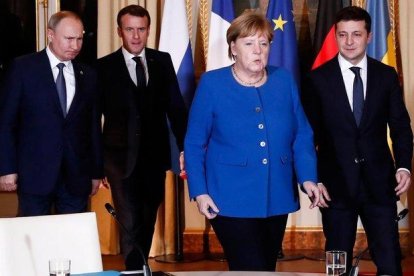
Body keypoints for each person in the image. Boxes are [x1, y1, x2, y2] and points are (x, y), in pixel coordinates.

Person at [184, 12, 321, 272]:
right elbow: (193, 144)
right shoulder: (212, 84)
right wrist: (200, 192)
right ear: (233, 48)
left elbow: (301, 134)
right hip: (228, 197)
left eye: (264, 43)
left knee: (266, 267)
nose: (258, 51)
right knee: (250, 267)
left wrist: (308, 178)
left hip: (277, 195)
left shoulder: (283, 80)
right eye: (249, 44)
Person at [302, 6, 413, 275]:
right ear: (336, 37)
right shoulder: (317, 79)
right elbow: (306, 135)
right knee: (337, 264)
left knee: (389, 261)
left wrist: (403, 166)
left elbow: (400, 126)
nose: (349, 41)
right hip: (335, 185)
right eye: (343, 35)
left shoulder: (386, 76)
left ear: (369, 36)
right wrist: (314, 180)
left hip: (380, 185)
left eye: (356, 34)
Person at [96, 5, 188, 270]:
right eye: (129, 29)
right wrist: (97, 163)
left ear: (148, 30)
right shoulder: (103, 67)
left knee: (147, 218)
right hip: (119, 160)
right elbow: (94, 119)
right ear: (119, 32)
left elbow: (177, 110)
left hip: (154, 157)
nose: (136, 36)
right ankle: (135, 270)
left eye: (141, 29)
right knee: (129, 219)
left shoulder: (163, 61)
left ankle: (139, 268)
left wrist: (185, 149)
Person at [0, 11, 103, 215]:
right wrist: (6, 169)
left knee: (72, 239)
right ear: (50, 35)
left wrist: (96, 172)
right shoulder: (23, 68)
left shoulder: (89, 75)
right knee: (34, 239)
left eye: (80, 39)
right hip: (34, 174)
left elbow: (92, 128)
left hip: (76, 176)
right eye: (69, 39)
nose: (75, 46)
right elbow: (6, 123)